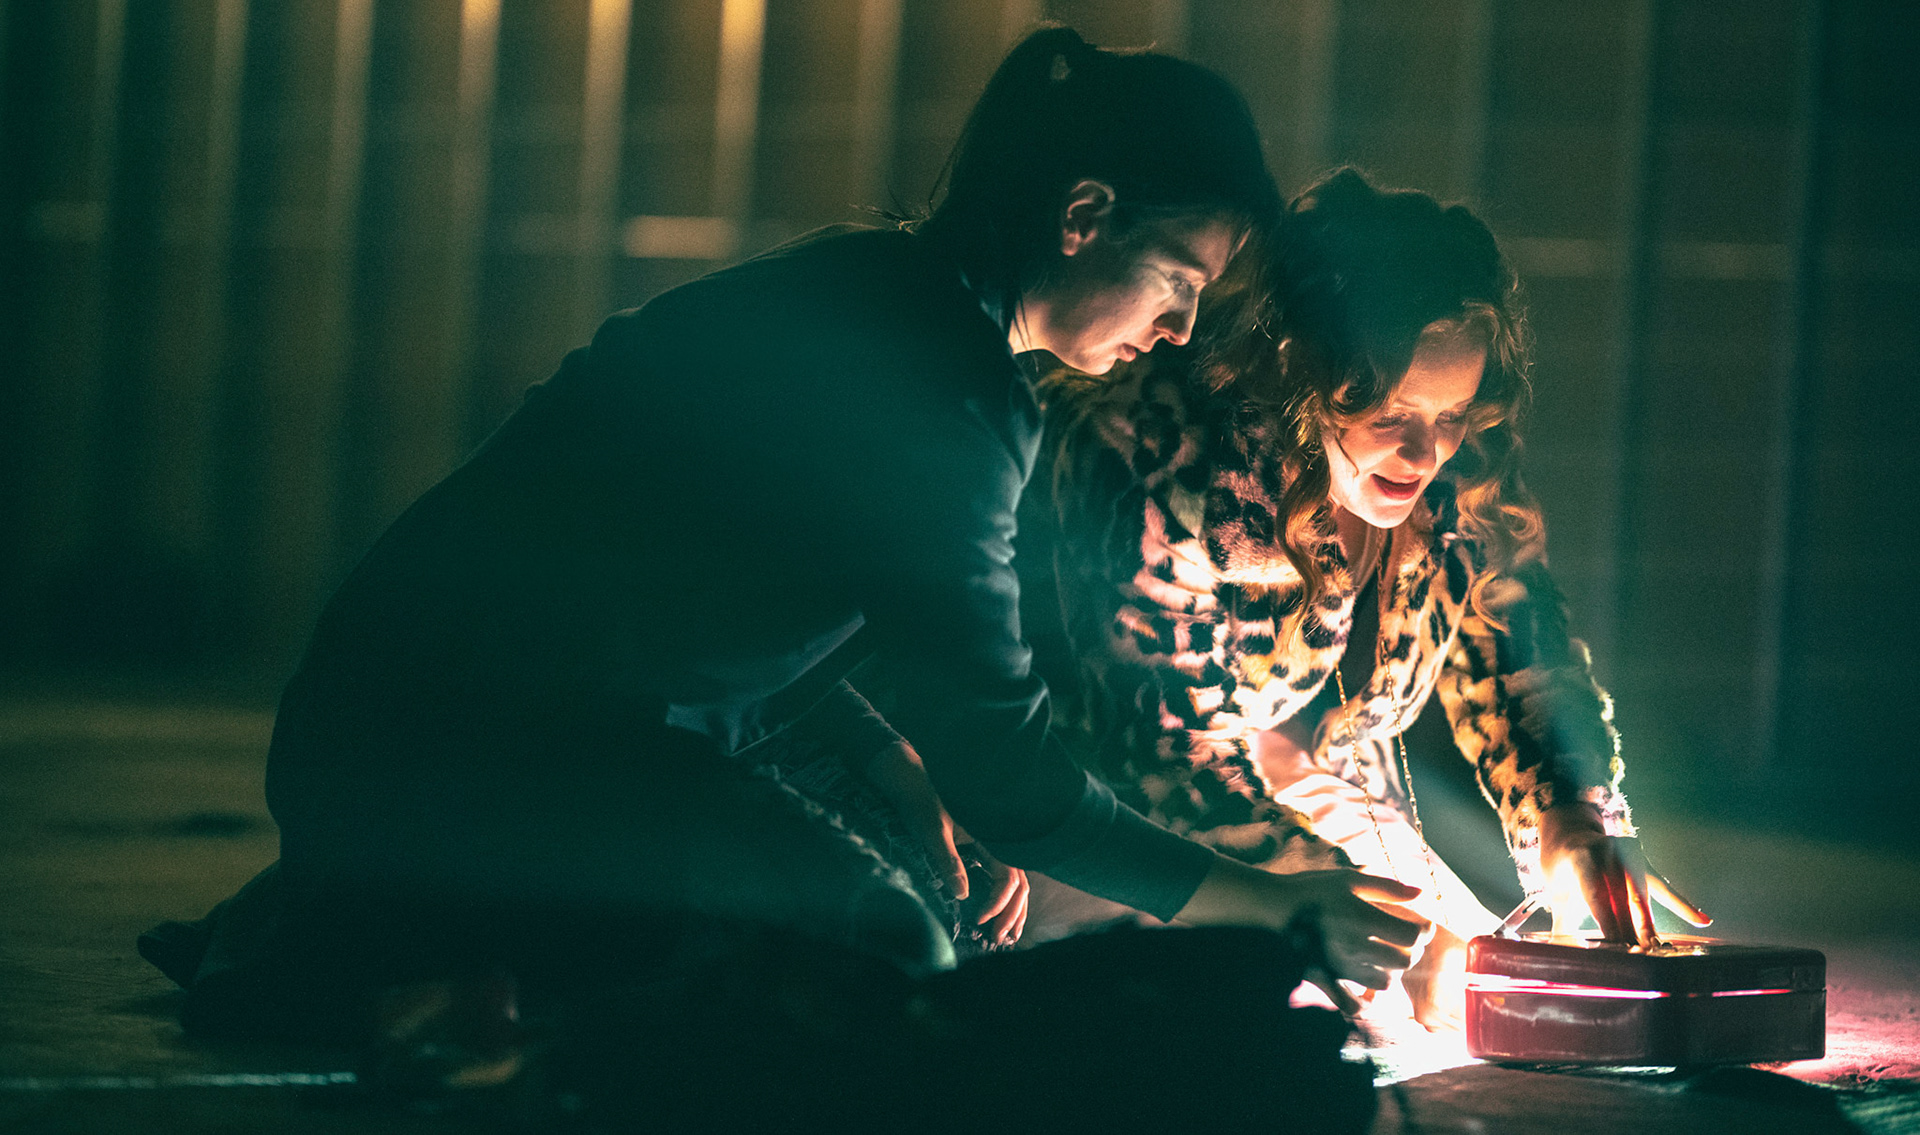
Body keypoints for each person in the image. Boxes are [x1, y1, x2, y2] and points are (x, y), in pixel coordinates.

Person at [140, 31, 1424, 1050]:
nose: (1181, 333)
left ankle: (359, 922)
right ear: (1085, 215)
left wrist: (898, 775)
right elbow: (1016, 778)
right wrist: (1268, 904)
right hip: (459, 759)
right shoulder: (949, 396)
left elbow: (705, 610)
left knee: (915, 896)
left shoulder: (871, 290)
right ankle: (388, 964)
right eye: (1181, 285)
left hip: (380, 730)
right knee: (887, 954)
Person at [1024, 168, 1709, 1025]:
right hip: (1067, 786)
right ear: (1301, 370)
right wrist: (1350, 920)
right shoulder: (1161, 455)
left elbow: (1518, 657)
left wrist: (1570, 813)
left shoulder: (1462, 474)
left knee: (1478, 965)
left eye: (1453, 414)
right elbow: (1163, 758)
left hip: (1299, 773)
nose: (1426, 453)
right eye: (1389, 409)